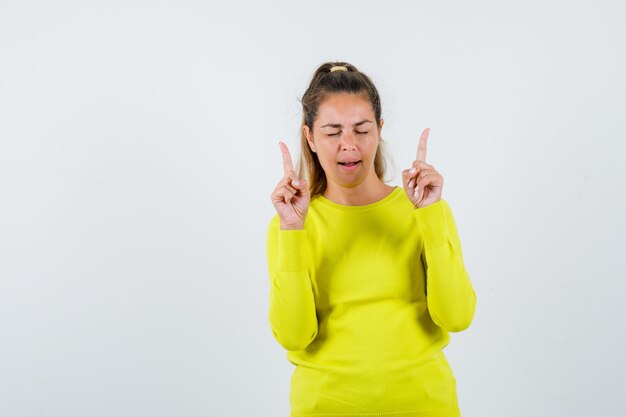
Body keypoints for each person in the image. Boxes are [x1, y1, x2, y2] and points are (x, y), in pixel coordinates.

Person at [266, 61, 476, 417]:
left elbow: (457, 317)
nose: (349, 146)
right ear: (310, 138)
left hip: (425, 406)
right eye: (332, 132)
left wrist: (429, 216)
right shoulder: (290, 223)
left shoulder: (424, 209)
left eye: (361, 130)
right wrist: (292, 232)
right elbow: (293, 336)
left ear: (379, 130)